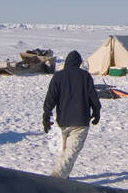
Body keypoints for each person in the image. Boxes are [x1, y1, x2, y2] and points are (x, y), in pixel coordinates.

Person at [42, 50, 102, 178]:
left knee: (65, 153)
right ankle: (56, 179)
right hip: (80, 121)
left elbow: (51, 98)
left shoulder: (58, 76)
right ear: (79, 63)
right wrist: (96, 111)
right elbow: (93, 97)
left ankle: (63, 177)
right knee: (70, 153)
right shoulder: (85, 76)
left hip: (63, 120)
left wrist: (46, 115)